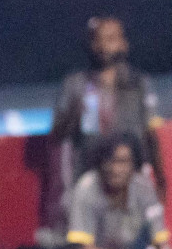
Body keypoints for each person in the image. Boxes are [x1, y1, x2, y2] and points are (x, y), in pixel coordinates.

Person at [52, 17, 165, 193]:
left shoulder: (138, 83)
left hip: (131, 176)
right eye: (98, 40)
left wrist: (161, 178)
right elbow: (57, 135)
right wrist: (74, 112)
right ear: (90, 44)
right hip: (89, 177)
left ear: (123, 44)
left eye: (111, 39)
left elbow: (151, 133)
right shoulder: (76, 84)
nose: (104, 46)